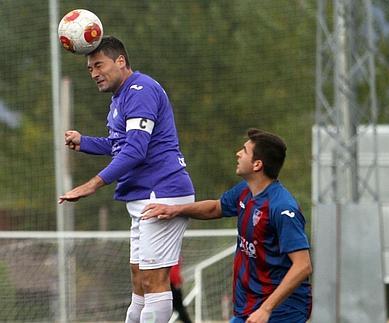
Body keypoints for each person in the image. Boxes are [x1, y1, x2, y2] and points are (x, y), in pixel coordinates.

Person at [58, 36, 195, 323]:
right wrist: (85, 142)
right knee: (139, 283)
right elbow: (120, 144)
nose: (94, 73)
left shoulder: (141, 89)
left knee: (154, 282)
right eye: (89, 69)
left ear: (120, 61)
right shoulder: (120, 98)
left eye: (98, 65)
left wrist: (92, 184)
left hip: (161, 193)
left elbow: (135, 149)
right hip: (144, 195)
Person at [142, 128, 313, 323]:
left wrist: (266, 310)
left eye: (245, 150)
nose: (238, 153)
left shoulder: (282, 208)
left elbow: (303, 266)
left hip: (282, 312)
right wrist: (176, 210)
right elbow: (215, 208)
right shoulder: (246, 191)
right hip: (249, 309)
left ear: (257, 164)